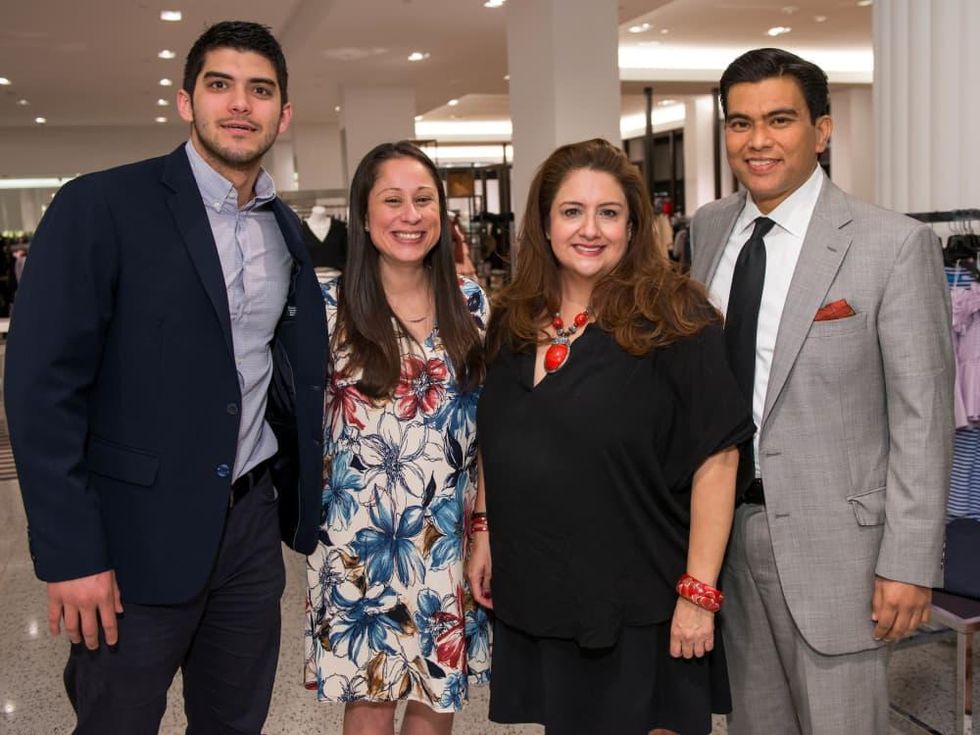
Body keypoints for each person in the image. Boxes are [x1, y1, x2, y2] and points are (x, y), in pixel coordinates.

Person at [4, 21, 326, 734]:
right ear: (186, 101)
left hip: (248, 531)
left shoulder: (284, 230)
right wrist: (71, 552)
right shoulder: (103, 206)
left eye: (260, 90)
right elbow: (40, 389)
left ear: (284, 113)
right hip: (131, 539)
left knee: (234, 722)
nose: (240, 104)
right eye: (220, 85)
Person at [689, 48, 955, 734]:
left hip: (843, 552)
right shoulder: (709, 230)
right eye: (740, 123)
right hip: (728, 537)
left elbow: (923, 418)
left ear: (823, 130)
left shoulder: (891, 245)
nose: (758, 141)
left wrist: (908, 561)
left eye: (779, 119)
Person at [468, 138, 753, 735]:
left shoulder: (677, 320)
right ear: (545, 225)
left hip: (642, 602)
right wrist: (485, 528)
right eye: (572, 211)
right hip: (546, 589)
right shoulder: (514, 319)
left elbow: (717, 459)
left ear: (633, 224)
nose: (589, 229)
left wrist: (698, 594)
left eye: (609, 212)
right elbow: (498, 437)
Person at [304, 141, 491, 735]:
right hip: (357, 544)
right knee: (372, 698)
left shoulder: (471, 303)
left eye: (423, 200)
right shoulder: (325, 308)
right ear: (363, 214)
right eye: (392, 200)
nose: (410, 215)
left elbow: (493, 434)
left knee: (439, 697)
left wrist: (485, 529)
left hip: (449, 538)